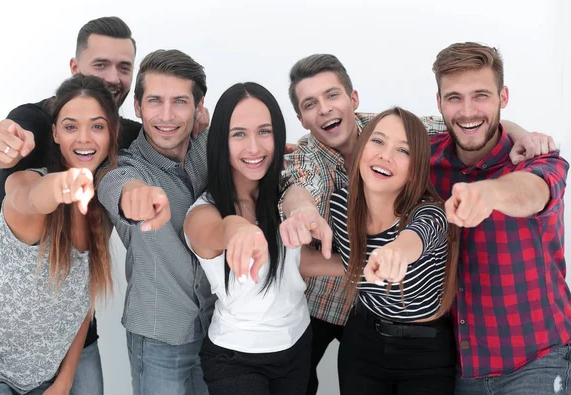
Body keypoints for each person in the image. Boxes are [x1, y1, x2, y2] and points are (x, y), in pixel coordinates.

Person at [278, 53, 557, 394]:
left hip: (428, 333)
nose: (324, 109)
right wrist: (303, 213)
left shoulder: (395, 131)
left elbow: (469, 124)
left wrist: (521, 134)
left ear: (353, 99)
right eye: (311, 104)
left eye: (332, 95)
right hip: (336, 308)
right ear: (301, 118)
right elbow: (299, 186)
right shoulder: (314, 160)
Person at [0, 16, 139, 395]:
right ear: (75, 67)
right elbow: (25, 189)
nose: (113, 77)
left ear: (112, 132)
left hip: (65, 341)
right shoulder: (33, 119)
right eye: (101, 64)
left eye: (124, 67)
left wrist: (214, 135)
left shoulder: (125, 138)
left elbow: (166, 133)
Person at [429, 42, 570, 394]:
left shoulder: (538, 159)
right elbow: (368, 129)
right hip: (462, 371)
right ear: (439, 102)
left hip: (538, 361)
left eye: (481, 96)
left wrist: (490, 193)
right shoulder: (426, 160)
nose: (467, 110)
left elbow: (534, 192)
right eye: (454, 98)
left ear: (502, 96)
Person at [184, 82, 341, 394]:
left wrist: (363, 264)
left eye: (264, 132)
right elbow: (220, 230)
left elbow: (293, 262)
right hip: (235, 358)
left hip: (297, 343)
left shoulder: (283, 194)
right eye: (239, 134)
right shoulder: (203, 213)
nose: (254, 147)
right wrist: (242, 231)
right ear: (220, 141)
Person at [97, 49, 214, 395]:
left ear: (198, 106)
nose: (166, 116)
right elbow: (118, 187)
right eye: (154, 101)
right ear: (137, 107)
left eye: (179, 101)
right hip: (159, 336)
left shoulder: (207, 148)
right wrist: (136, 196)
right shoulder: (124, 168)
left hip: (216, 331)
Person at [332, 107, 459, 394]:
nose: (385, 156)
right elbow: (348, 261)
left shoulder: (431, 213)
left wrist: (396, 252)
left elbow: (415, 239)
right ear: (362, 147)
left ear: (417, 168)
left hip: (426, 353)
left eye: (403, 150)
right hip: (362, 343)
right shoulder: (341, 205)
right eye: (377, 141)